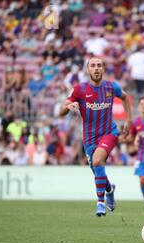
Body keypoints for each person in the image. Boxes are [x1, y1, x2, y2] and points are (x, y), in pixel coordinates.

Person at [59, 57, 131, 217]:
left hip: (109, 132)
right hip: (89, 138)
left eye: (99, 65)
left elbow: (125, 97)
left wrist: (128, 120)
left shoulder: (112, 87)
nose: (96, 68)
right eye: (93, 66)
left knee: (98, 161)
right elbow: (61, 111)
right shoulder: (79, 89)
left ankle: (100, 203)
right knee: (96, 168)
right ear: (88, 69)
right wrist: (68, 107)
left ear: (103, 69)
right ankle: (110, 189)